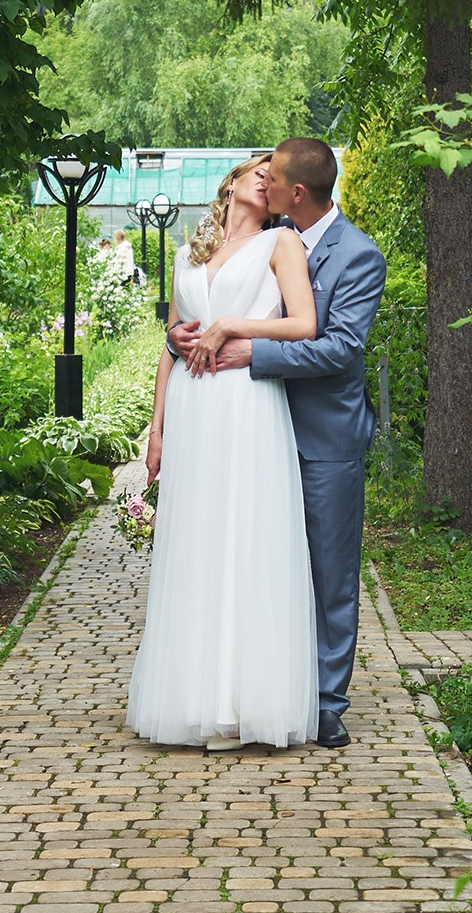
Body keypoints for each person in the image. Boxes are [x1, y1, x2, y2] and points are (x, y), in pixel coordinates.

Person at [170, 134, 386, 749]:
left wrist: (248, 351)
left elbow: (340, 348)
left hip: (322, 437)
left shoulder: (358, 256)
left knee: (329, 573)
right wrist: (186, 341)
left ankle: (323, 704)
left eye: (275, 178)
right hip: (252, 427)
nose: (264, 183)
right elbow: (204, 317)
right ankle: (257, 689)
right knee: (258, 566)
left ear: (295, 192)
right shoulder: (264, 239)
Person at [127, 154, 321, 750]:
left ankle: (245, 701)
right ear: (232, 181)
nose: (265, 177)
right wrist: (156, 429)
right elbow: (173, 342)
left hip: (244, 401)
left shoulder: (281, 244)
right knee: (195, 540)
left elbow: (306, 326)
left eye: (274, 173)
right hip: (192, 406)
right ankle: (190, 696)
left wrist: (232, 325)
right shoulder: (192, 251)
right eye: (256, 169)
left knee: (244, 534)